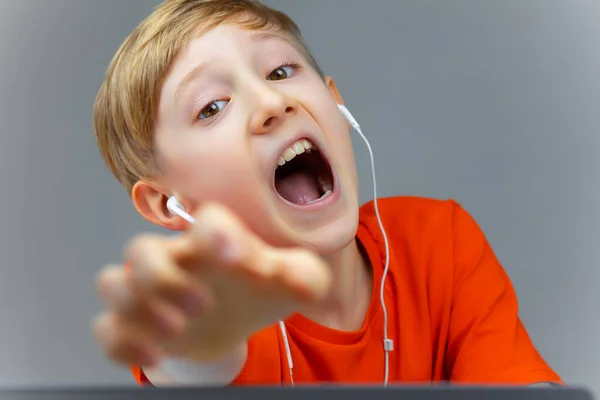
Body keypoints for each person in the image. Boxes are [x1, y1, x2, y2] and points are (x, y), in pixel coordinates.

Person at [91, 0, 562, 387]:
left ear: (337, 105)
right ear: (167, 203)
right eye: (212, 107)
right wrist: (194, 343)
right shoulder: (193, 289)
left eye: (279, 71)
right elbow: (189, 352)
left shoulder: (438, 242)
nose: (273, 103)